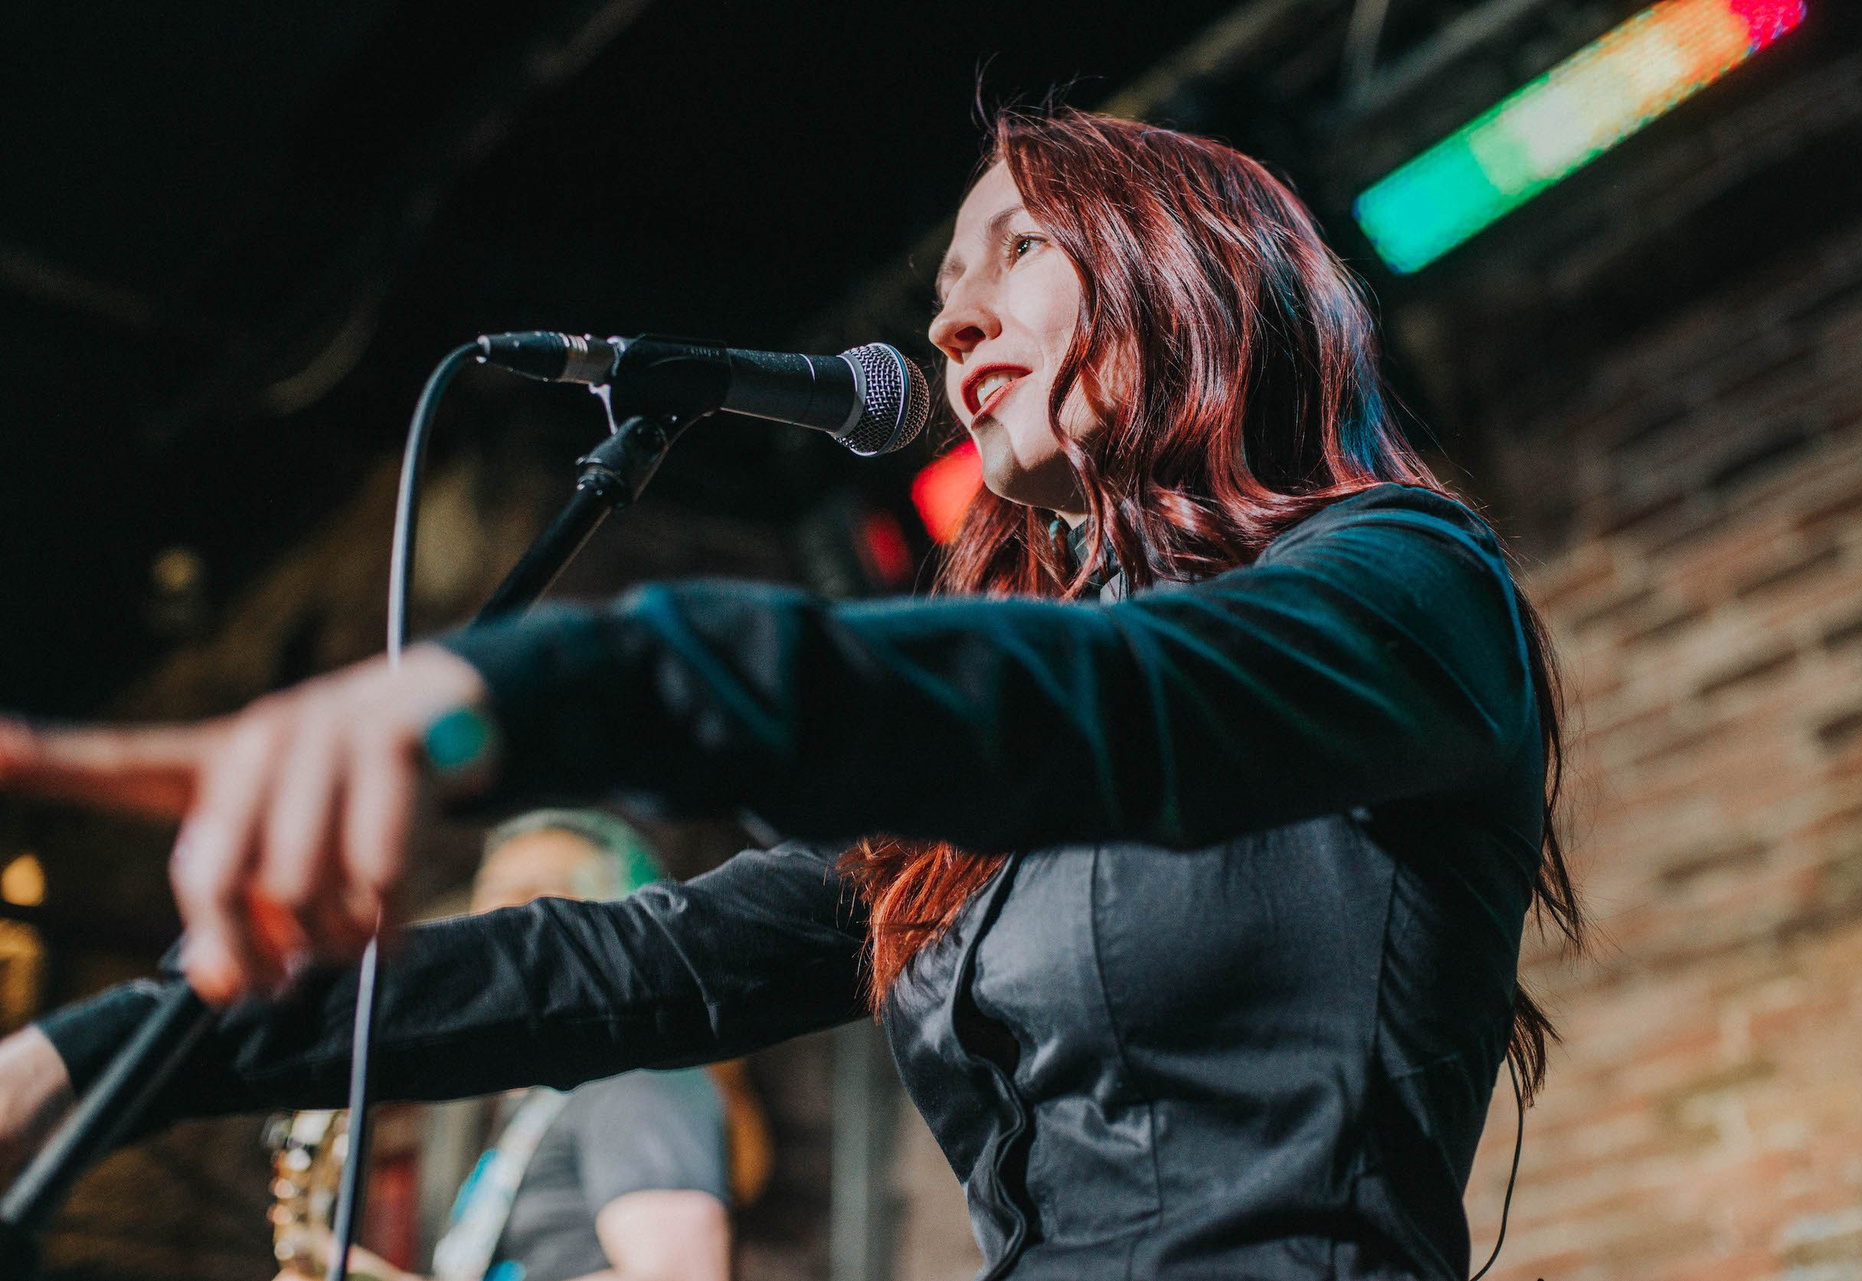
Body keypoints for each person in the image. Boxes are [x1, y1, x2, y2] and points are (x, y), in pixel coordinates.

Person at [0, 107, 1581, 1281]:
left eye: (1018, 249)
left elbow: (1117, 698)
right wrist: (107, 1050)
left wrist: (517, 697)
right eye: (942, 285)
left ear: (1191, 267)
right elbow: (632, 961)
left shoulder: (1405, 581)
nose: (949, 320)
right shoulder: (1001, 770)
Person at [296, 808, 755, 1281]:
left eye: (541, 893)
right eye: (492, 890)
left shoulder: (639, 1078)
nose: (501, 915)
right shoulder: (532, 1100)